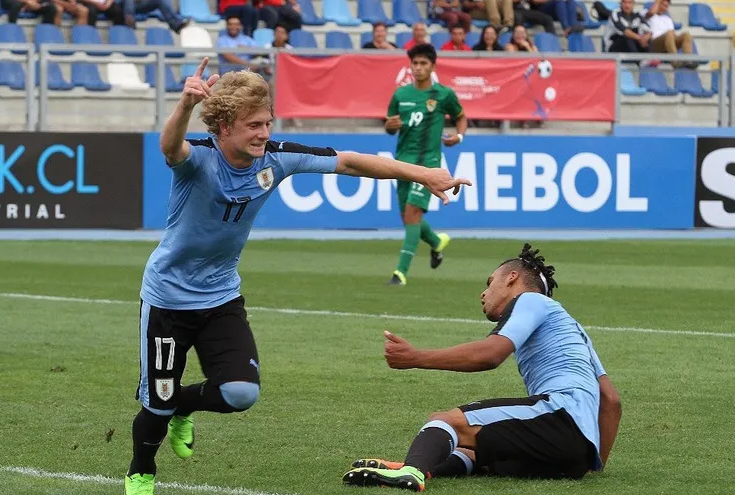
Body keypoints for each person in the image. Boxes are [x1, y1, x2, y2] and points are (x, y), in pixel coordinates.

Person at [123, 58, 471, 495]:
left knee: (239, 394)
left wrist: (424, 174)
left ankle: (182, 408)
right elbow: (170, 148)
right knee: (155, 404)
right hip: (168, 300)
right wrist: (185, 106)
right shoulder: (201, 159)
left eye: (267, 123)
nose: (264, 134)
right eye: (253, 125)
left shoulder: (276, 159)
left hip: (220, 298)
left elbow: (351, 162)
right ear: (223, 126)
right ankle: (141, 471)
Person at [342, 243, 622, 491]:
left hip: (559, 415)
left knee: (445, 420)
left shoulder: (531, 301)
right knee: (475, 451)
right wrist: (591, 463)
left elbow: (491, 355)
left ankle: (411, 472)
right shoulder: (573, 329)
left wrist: (415, 357)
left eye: (490, 282)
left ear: (512, 278)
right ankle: (414, 466)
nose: (484, 292)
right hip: (574, 454)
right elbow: (611, 401)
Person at [384, 43, 467, 287]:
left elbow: (461, 117)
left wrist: (458, 137)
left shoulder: (444, 94)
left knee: (412, 214)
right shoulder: (400, 95)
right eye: (415, 63)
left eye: (423, 63)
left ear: (432, 66)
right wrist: (389, 127)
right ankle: (436, 242)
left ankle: (400, 273)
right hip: (402, 164)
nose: (418, 68)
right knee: (408, 218)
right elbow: (390, 125)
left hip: (429, 165)